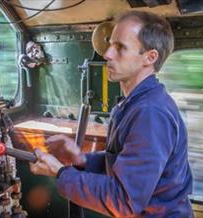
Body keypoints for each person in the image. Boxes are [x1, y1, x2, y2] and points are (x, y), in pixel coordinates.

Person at [29, 10, 194, 218]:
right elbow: (123, 162)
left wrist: (60, 172)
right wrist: (82, 160)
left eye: (120, 48)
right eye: (110, 45)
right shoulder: (133, 104)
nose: (107, 54)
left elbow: (124, 200)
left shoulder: (150, 113)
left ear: (150, 57)